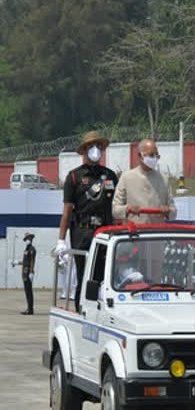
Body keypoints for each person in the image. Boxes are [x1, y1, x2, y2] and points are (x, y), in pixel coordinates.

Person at [55, 131, 118, 312]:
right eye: (91, 146)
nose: (95, 150)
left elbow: (115, 206)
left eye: (98, 146)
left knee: (102, 274)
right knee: (83, 275)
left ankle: (100, 312)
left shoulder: (110, 176)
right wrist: (61, 240)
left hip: (104, 231)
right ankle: (82, 310)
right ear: (84, 150)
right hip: (82, 231)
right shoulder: (74, 177)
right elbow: (67, 209)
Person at [112, 139, 176, 224]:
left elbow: (173, 212)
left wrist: (168, 211)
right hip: (133, 233)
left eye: (157, 156)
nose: (154, 158)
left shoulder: (163, 178)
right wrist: (128, 209)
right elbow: (115, 210)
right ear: (140, 156)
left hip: (156, 232)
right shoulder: (127, 177)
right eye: (151, 155)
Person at [20, 232, 36, 315]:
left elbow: (32, 261)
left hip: (28, 272)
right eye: (26, 239)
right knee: (27, 291)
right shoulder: (27, 248)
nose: (27, 240)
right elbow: (25, 261)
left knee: (29, 291)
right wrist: (18, 263)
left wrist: (31, 271)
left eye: (28, 239)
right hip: (24, 272)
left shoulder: (32, 249)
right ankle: (28, 308)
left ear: (31, 239)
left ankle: (30, 309)